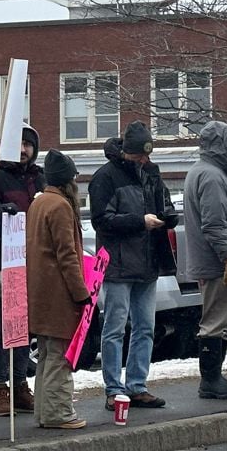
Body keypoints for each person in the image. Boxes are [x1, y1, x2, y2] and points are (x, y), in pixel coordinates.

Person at [89, 120, 178, 410]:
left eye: (147, 155)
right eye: (141, 154)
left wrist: (168, 216)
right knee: (115, 327)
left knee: (145, 327)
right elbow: (101, 220)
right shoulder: (105, 177)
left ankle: (136, 385)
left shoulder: (151, 172)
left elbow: (164, 204)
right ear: (128, 152)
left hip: (147, 260)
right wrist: (140, 221)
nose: (145, 159)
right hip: (119, 263)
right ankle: (114, 389)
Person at [183, 120, 227, 400]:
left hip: (213, 260)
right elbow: (214, 224)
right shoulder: (212, 176)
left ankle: (214, 377)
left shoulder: (205, 171)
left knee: (222, 319)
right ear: (223, 146)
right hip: (217, 262)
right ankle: (210, 380)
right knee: (216, 320)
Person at [26, 150, 90, 429]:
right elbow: (68, 256)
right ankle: (58, 413)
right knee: (59, 357)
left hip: (40, 291)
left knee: (46, 355)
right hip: (58, 293)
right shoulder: (61, 206)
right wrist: (81, 293)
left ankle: (44, 411)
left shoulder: (39, 203)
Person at [0, 124, 42, 416]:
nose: (23, 150)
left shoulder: (38, 177)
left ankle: (20, 383)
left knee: (24, 327)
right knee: (3, 327)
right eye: (18, 144)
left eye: (28, 145)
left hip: (33, 261)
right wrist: (0, 214)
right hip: (5, 261)